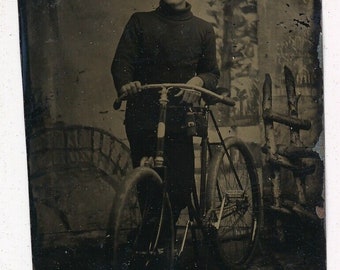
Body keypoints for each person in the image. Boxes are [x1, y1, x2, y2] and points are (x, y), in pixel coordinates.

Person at [111, 0, 220, 224]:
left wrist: (199, 82)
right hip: (143, 117)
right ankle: (155, 242)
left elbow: (211, 73)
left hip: (179, 118)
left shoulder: (203, 29)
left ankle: (161, 240)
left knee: (180, 187)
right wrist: (126, 84)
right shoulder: (140, 22)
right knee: (147, 185)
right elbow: (122, 61)